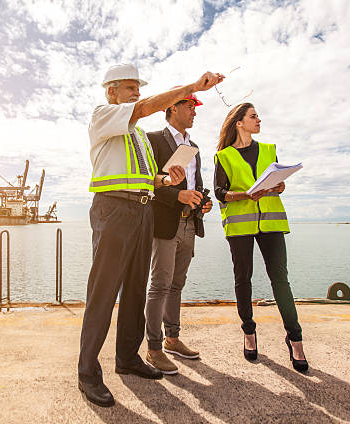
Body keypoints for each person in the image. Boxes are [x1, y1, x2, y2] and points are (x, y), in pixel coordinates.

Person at [78, 63, 223, 407]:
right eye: (129, 88)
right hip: (113, 209)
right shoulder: (103, 115)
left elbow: (149, 178)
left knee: (135, 290)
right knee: (103, 291)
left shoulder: (139, 135)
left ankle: (127, 359)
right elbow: (144, 109)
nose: (137, 94)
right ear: (111, 92)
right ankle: (87, 373)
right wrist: (191, 87)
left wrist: (165, 180)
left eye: (137, 88)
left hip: (143, 209)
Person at [213, 102, 308, 372]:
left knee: (280, 279)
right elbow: (220, 192)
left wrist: (280, 185)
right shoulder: (223, 156)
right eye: (253, 116)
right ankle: (249, 333)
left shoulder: (269, 149)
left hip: (271, 221)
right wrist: (245, 195)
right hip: (240, 225)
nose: (259, 120)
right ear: (239, 123)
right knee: (243, 278)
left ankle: (295, 338)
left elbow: (278, 182)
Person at [144, 91, 212, 375]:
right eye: (190, 106)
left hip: (189, 223)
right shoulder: (153, 139)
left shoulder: (193, 145)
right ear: (172, 108)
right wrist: (178, 196)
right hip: (164, 224)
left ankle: (172, 338)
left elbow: (196, 182)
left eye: (195, 107)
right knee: (160, 284)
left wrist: (202, 203)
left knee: (177, 284)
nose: (195, 112)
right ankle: (154, 348)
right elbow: (148, 181)